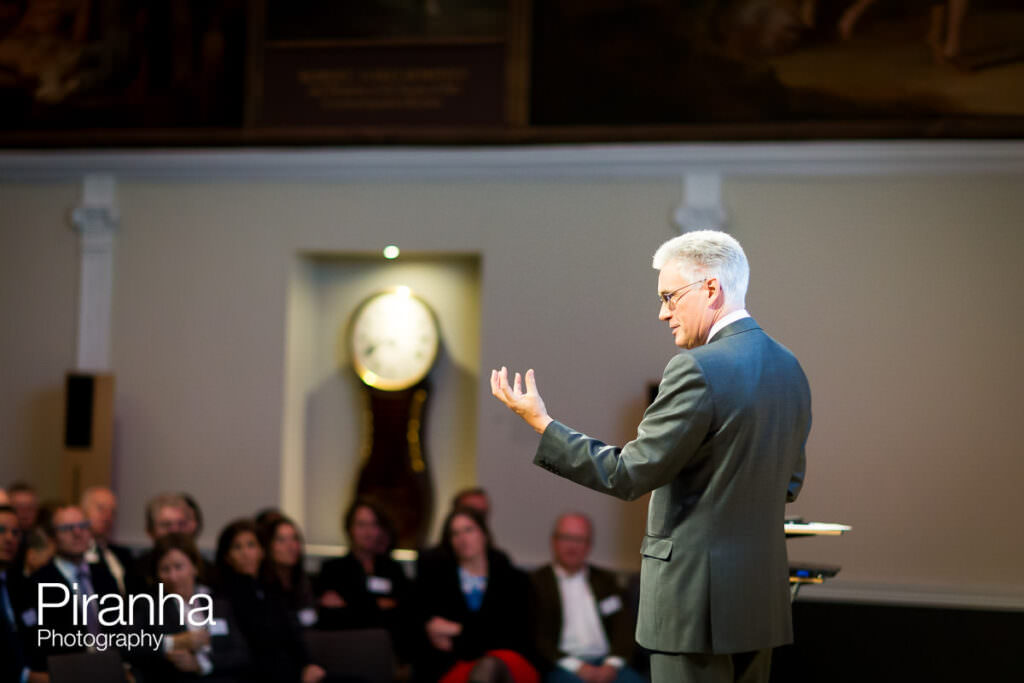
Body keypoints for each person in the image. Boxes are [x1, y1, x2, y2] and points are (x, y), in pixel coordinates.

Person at [490, 230, 811, 683]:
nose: (662, 313)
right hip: (760, 604)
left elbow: (628, 474)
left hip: (694, 609)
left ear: (712, 289)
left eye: (669, 297)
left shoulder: (697, 368)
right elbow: (790, 483)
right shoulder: (790, 367)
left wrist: (543, 424)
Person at [415, 507, 537, 683]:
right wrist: (480, 633)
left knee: (489, 667)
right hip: (455, 663)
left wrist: (457, 630)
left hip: (507, 659)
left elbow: (512, 634)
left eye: (469, 530)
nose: (463, 539)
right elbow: (427, 628)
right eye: (455, 533)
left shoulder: (513, 579)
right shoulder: (437, 579)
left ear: (484, 534)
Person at [530, 513, 643, 683]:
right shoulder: (535, 583)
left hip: (608, 664)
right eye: (566, 538)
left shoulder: (606, 581)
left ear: (589, 545)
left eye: (580, 539)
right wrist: (577, 667)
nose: (572, 546)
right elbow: (537, 637)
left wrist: (611, 664)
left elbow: (623, 629)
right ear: (553, 541)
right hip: (562, 666)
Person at [214, 519, 325, 683]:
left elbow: (292, 634)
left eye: (251, 545)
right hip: (259, 674)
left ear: (262, 551)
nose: (246, 553)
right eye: (237, 547)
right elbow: (250, 648)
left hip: (292, 669)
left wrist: (308, 664)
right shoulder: (224, 596)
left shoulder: (272, 588)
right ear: (228, 557)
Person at [129, 533, 249, 682]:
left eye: (179, 567)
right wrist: (172, 642)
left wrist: (201, 663)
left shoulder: (218, 602)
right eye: (165, 569)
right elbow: (129, 645)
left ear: (195, 567)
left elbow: (241, 653)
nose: (173, 577)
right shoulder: (151, 605)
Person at [24, 503, 122, 674]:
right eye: (67, 528)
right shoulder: (38, 583)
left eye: (83, 526)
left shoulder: (104, 576)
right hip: (65, 672)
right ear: (52, 537)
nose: (77, 533)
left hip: (108, 669)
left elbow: (119, 627)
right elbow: (39, 642)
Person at [316, 500, 413, 659]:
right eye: (361, 524)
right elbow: (332, 618)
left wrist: (352, 605)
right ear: (350, 529)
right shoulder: (333, 569)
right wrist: (378, 605)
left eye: (373, 524)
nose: (368, 532)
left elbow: (404, 614)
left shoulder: (392, 569)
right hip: (346, 651)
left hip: (389, 651)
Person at [259, 516, 317, 628]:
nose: (291, 546)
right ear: (268, 546)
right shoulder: (262, 587)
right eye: (281, 540)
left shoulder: (305, 583)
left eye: (294, 538)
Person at [81, 485, 138, 595]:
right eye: (101, 509)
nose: (107, 516)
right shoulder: (76, 556)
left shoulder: (123, 555)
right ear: (83, 511)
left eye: (112, 512)